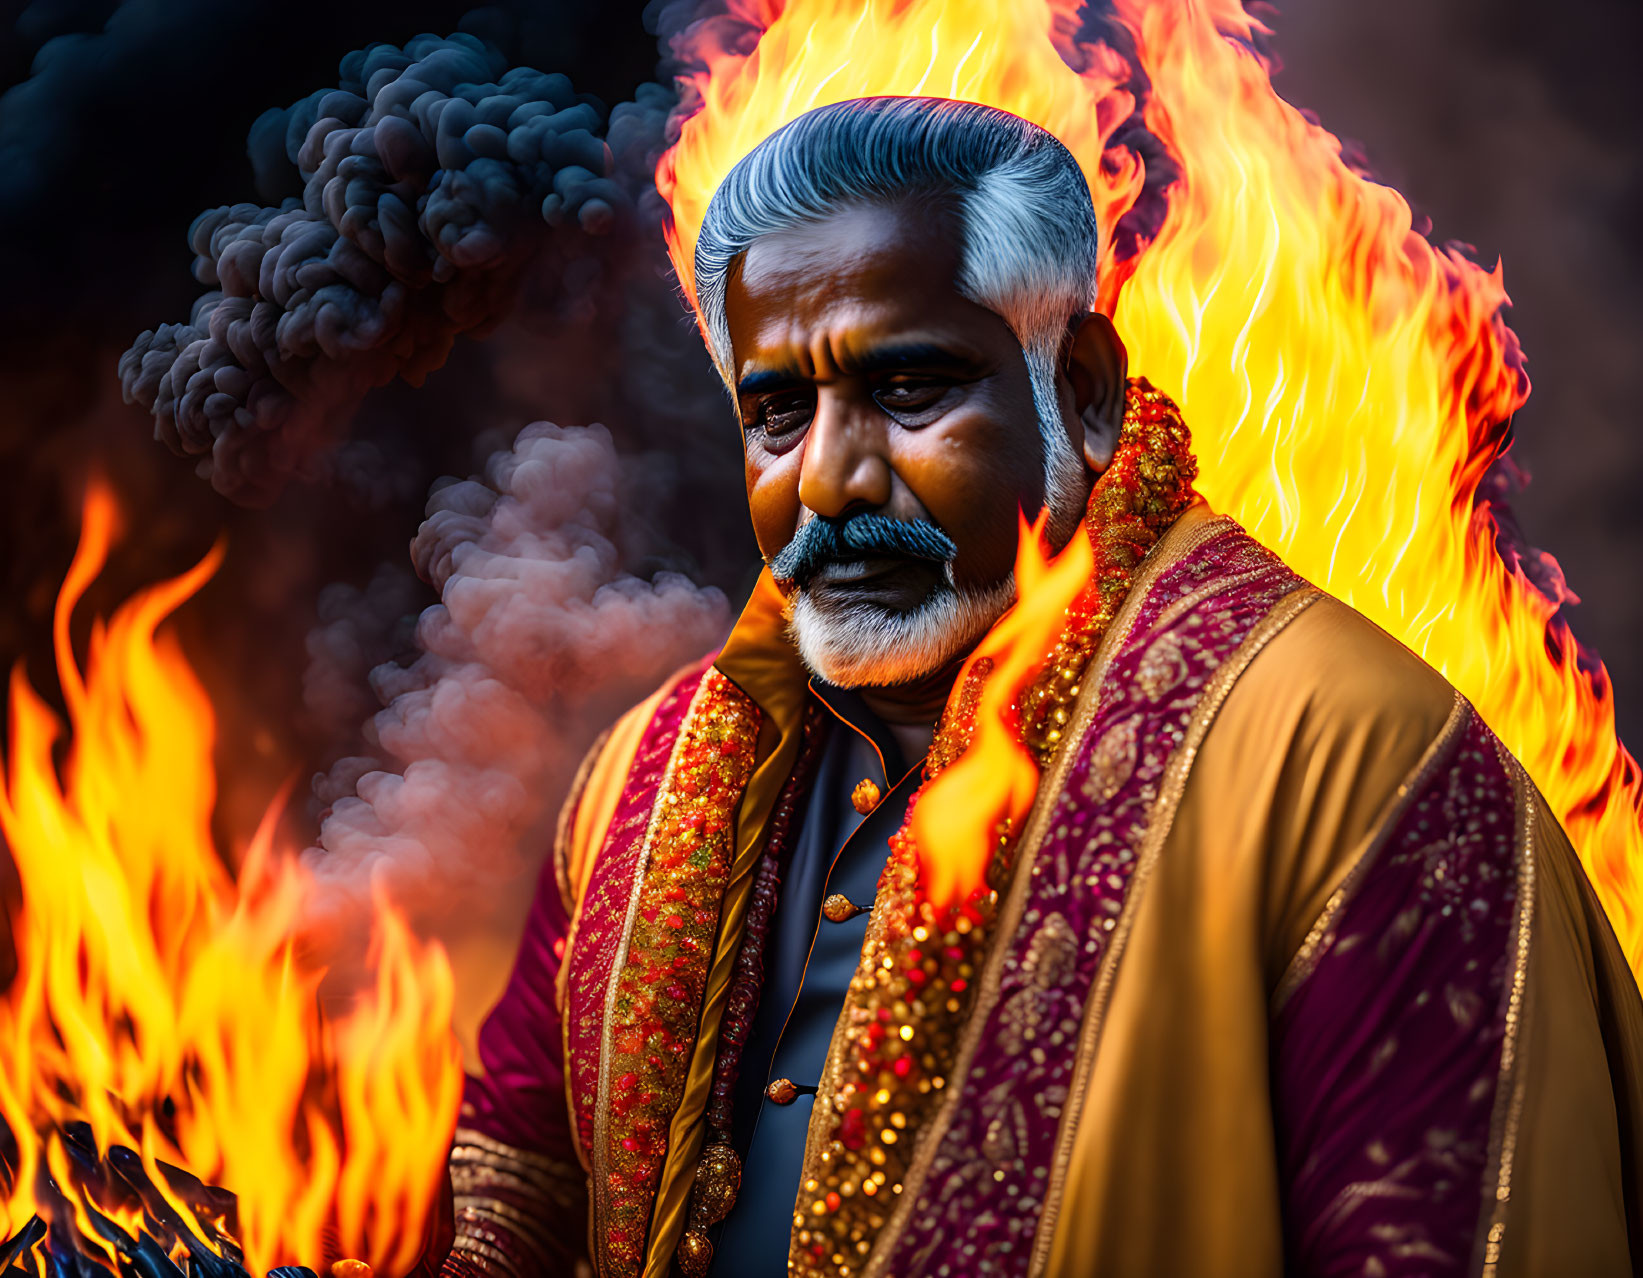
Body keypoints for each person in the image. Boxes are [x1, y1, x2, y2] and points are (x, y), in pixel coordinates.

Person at [435, 97, 1643, 1278]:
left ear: (1083, 391)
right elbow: (519, 1198)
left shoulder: (1345, 758)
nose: (830, 481)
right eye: (778, 413)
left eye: (908, 391)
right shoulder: (634, 795)